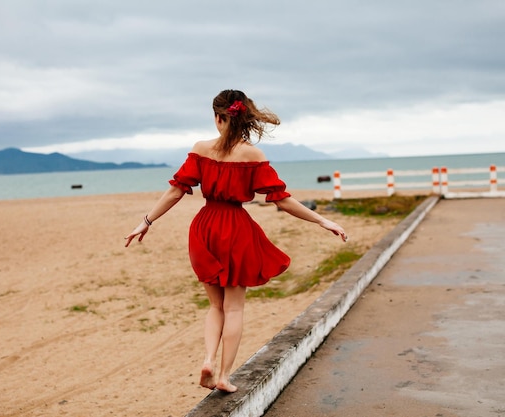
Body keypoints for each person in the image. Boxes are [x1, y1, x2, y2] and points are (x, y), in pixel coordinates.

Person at [125, 89, 347, 393]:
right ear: (243, 118)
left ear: (218, 118)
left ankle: (207, 359)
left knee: (215, 306)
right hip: (236, 229)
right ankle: (225, 376)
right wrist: (323, 220)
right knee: (235, 309)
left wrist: (146, 221)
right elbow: (281, 200)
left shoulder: (200, 149)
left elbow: (176, 191)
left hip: (204, 227)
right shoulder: (252, 155)